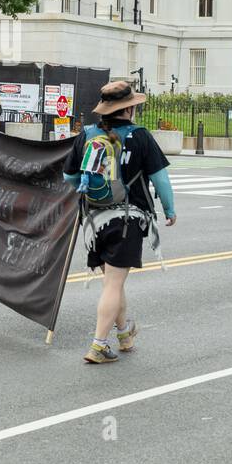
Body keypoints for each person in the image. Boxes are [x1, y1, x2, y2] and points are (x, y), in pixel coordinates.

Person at [65, 80, 176, 364]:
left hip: (94, 220)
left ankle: (125, 334)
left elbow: (70, 177)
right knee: (113, 284)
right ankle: (98, 345)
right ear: (128, 109)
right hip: (127, 219)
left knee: (113, 280)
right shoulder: (140, 136)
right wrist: (169, 209)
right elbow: (160, 178)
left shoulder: (87, 134)